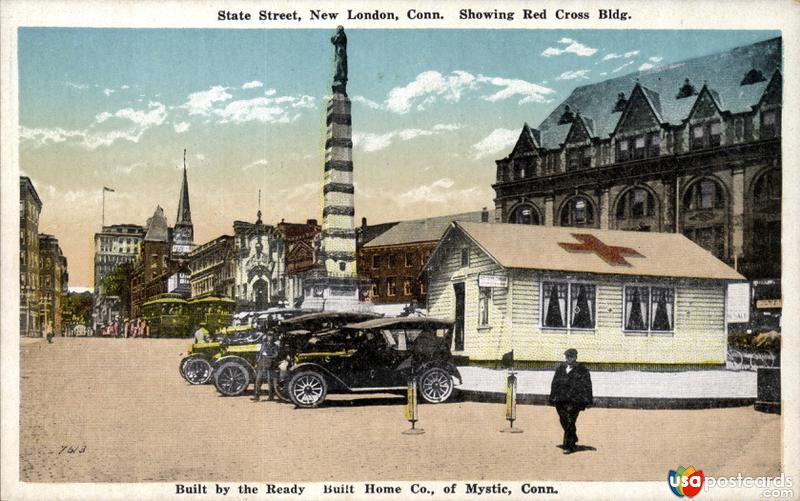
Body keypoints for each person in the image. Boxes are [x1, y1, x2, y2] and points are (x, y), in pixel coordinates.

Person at [548, 348, 593, 454]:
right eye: (567, 356)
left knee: (569, 421)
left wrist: (588, 400)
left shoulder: (583, 370)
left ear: (575, 357)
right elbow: (554, 383)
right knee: (563, 420)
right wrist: (552, 397)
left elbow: (588, 385)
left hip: (575, 401)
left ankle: (568, 446)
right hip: (560, 400)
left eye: (571, 356)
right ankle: (573, 437)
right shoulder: (560, 368)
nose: (569, 359)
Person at [252, 333, 279, 402]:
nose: (269, 337)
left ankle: (271, 396)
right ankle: (256, 396)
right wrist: (258, 360)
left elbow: (276, 355)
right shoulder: (264, 344)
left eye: (271, 336)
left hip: (269, 365)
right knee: (258, 380)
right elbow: (260, 353)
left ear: (273, 338)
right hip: (261, 364)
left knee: (270, 381)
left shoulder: (275, 346)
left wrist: (268, 355)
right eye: (268, 336)